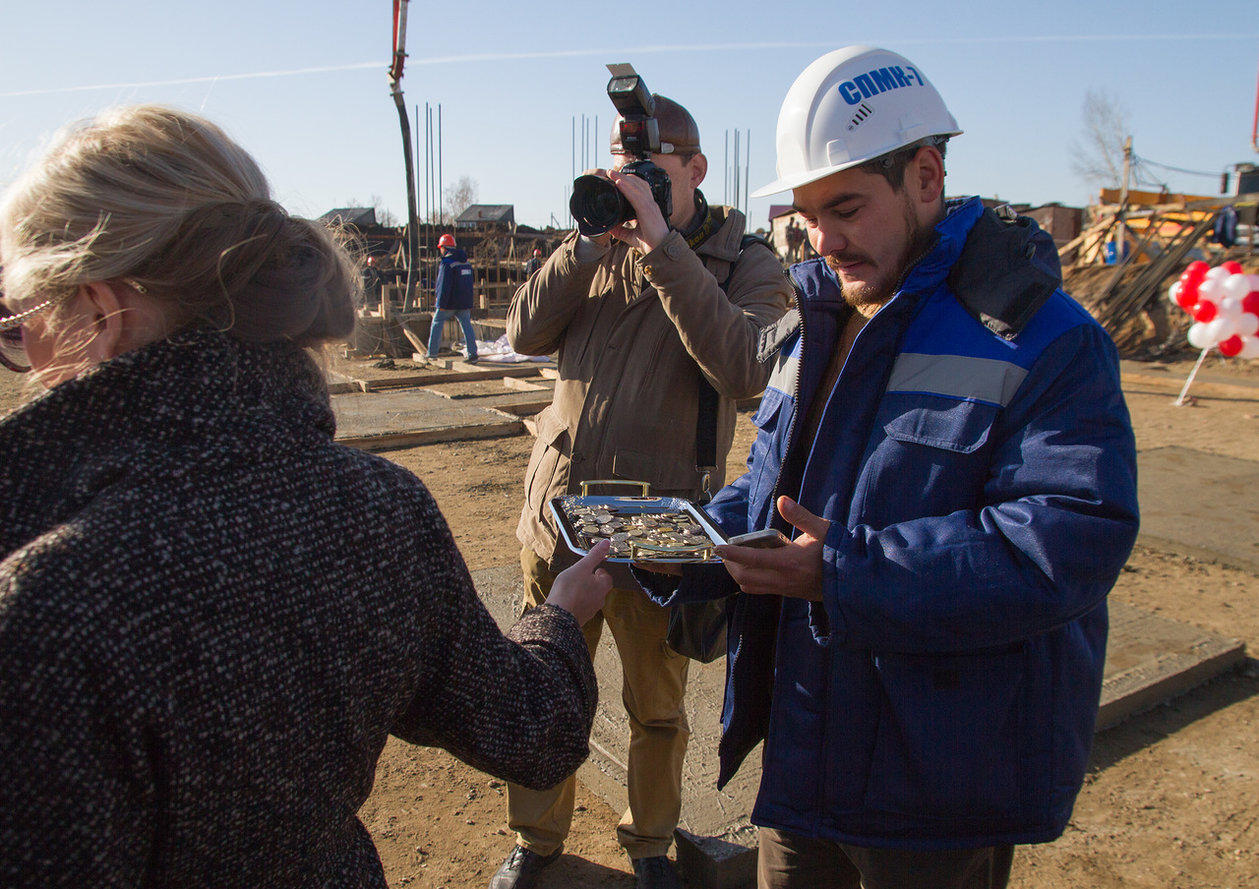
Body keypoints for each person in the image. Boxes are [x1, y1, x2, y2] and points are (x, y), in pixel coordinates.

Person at [0, 104, 614, 888]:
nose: (25, 358)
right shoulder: (382, 508)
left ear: (100, 313)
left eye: (21, 322)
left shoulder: (48, 598)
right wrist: (557, 619)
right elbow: (532, 727)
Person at [636, 46, 1140, 889]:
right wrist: (688, 544)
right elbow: (773, 486)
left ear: (927, 175)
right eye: (805, 214)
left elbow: (1065, 540)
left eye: (846, 207)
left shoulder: (1047, 339)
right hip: (803, 759)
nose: (822, 238)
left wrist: (842, 573)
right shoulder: (818, 318)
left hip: (933, 784)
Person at [495, 91, 793, 889]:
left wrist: (663, 246)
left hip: (657, 525)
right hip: (557, 511)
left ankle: (652, 843)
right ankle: (536, 838)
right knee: (543, 685)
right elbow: (522, 332)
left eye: (649, 174)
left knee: (656, 708)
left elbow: (746, 370)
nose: (631, 188)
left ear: (695, 169)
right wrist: (589, 243)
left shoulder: (749, 261)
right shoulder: (591, 244)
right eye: (622, 171)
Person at [427, 232, 479, 363]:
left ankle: (432, 353)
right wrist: (468, 303)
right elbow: (468, 285)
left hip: (449, 303)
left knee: (437, 323)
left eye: (441, 248)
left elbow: (443, 286)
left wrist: (441, 304)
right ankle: (472, 354)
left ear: (444, 248)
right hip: (464, 303)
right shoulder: (466, 262)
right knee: (466, 326)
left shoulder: (446, 263)